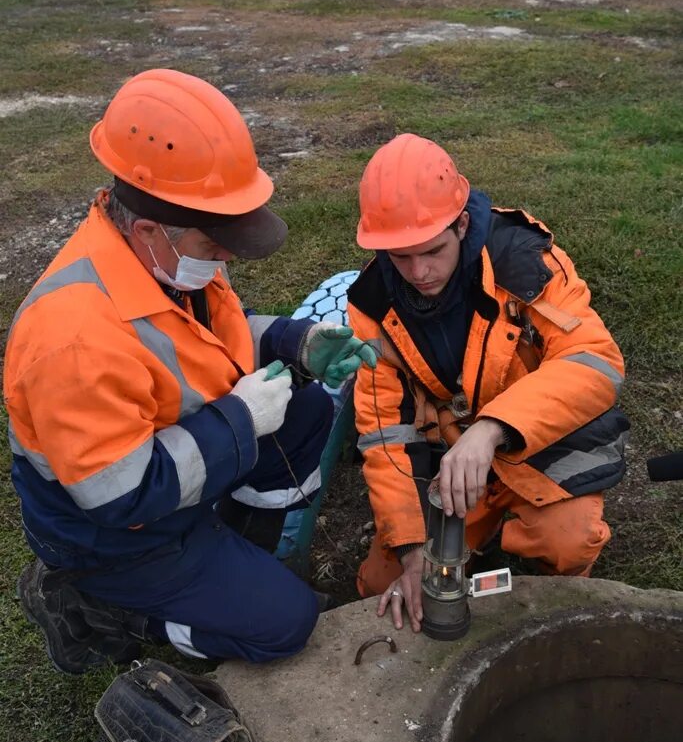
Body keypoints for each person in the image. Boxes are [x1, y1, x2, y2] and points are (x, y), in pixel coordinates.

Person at [5, 68, 375, 673]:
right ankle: (103, 609)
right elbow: (121, 496)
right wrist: (239, 420)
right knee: (287, 626)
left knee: (305, 409)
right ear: (150, 229)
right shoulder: (71, 338)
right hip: (115, 541)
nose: (226, 256)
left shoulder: (163, 260)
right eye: (216, 244)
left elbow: (213, 341)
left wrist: (296, 342)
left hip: (172, 495)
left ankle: (235, 553)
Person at [347, 134, 629, 633]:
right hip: (449, 457)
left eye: (432, 251)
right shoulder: (370, 302)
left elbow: (595, 361)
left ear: (460, 224)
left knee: (569, 541)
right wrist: (412, 550)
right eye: (400, 257)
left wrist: (491, 428)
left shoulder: (526, 263)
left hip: (537, 443)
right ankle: (459, 536)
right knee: (380, 583)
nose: (418, 272)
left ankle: (555, 588)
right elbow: (382, 431)